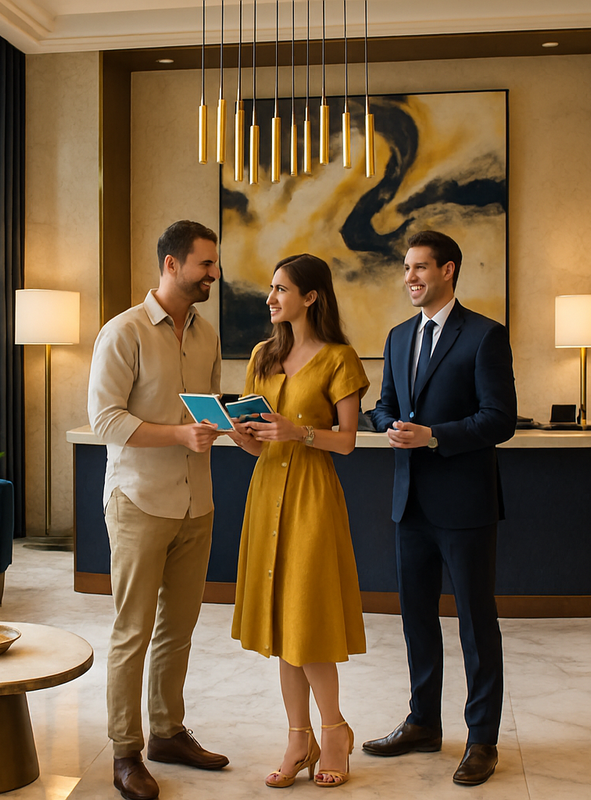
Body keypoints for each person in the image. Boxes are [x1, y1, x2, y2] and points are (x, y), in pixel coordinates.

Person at [364, 230, 517, 786]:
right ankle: (424, 723)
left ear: (448, 270)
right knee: (416, 621)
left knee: (476, 624)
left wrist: (433, 436)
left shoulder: (484, 335)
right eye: (406, 268)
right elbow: (383, 406)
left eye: (420, 268)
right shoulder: (398, 336)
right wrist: (390, 425)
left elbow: (500, 419)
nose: (410, 277)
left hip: (466, 506)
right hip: (409, 505)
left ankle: (482, 740)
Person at [87, 220, 230, 800]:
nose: (214, 274)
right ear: (171, 264)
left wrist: (232, 426)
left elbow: (207, 409)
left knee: (179, 628)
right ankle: (126, 752)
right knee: (133, 631)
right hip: (139, 502)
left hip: (198, 503)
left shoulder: (208, 334)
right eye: (205, 264)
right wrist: (178, 435)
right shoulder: (122, 332)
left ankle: (167, 733)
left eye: (214, 264)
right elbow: (105, 420)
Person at [227, 253, 370, 790]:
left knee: (306, 621)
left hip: (312, 496)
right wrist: (238, 434)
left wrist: (300, 432)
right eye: (271, 288)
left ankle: (333, 733)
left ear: (311, 297)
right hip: (266, 491)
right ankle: (297, 738)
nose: (270, 298)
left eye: (281, 289)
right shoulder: (262, 355)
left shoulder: (339, 359)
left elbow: (348, 442)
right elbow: (256, 444)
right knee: (282, 623)